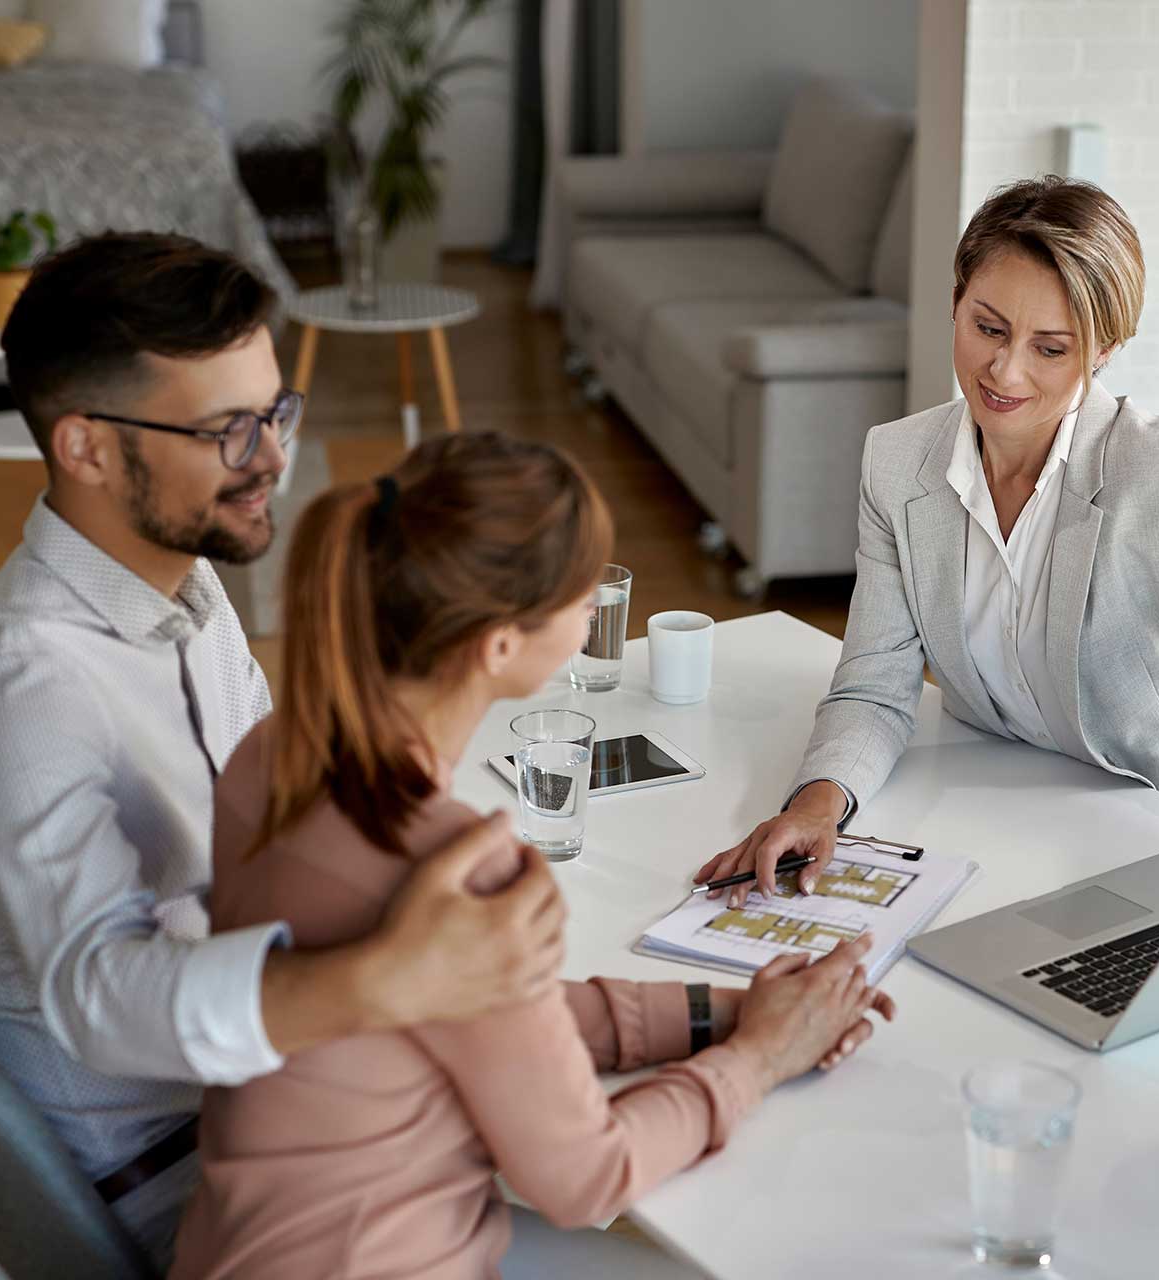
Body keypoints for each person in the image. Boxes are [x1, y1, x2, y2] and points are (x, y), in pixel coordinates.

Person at [0, 233, 567, 1266]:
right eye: (229, 430)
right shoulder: (21, 688)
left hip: (278, 1087)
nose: (274, 458)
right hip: (188, 1181)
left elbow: (272, 832)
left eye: (275, 412)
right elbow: (102, 994)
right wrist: (389, 977)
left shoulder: (190, 593)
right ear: (88, 447)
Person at [171, 434, 897, 1279]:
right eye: (580, 587)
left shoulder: (273, 753)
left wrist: (727, 1013)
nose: (597, 600)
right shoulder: (454, 865)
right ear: (500, 645)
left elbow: (497, 1015)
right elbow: (588, 1177)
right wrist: (761, 1060)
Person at [696, 176, 1159, 905]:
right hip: (1006, 818)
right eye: (988, 328)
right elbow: (875, 688)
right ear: (954, 306)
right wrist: (815, 805)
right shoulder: (897, 463)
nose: (1005, 372)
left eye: (1050, 348)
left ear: (1103, 351)